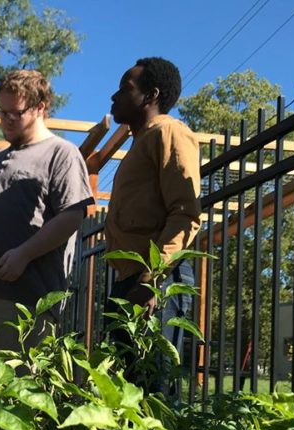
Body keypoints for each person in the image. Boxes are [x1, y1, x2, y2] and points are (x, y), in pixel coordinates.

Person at [0, 69, 94, 371]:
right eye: (2, 112)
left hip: (21, 299)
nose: (7, 119)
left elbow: (72, 215)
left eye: (17, 113)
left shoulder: (61, 154)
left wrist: (24, 254)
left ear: (41, 108)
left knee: (11, 395)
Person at [105, 57, 201, 396]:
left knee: (153, 391)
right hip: (130, 281)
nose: (114, 97)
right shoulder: (140, 143)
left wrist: (151, 279)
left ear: (151, 95)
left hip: (156, 281)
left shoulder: (169, 132)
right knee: (126, 389)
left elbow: (185, 214)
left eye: (124, 89)